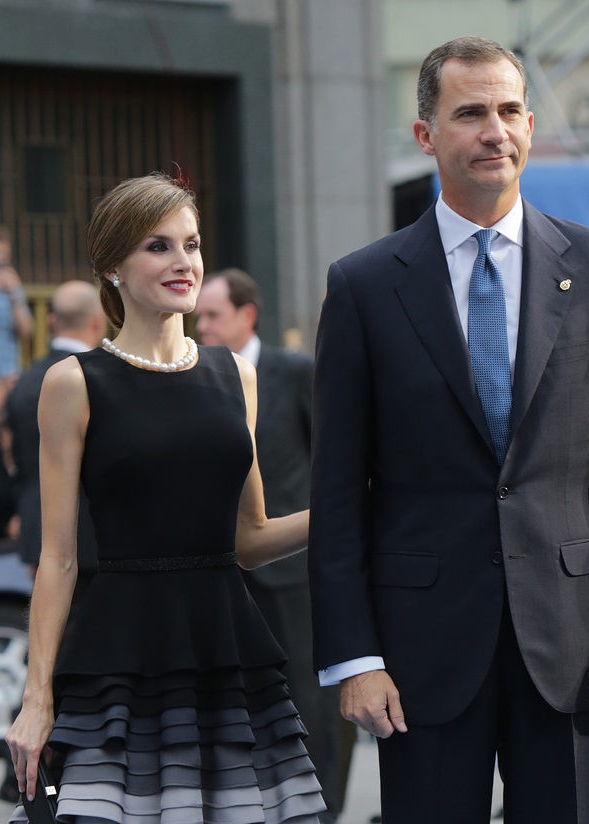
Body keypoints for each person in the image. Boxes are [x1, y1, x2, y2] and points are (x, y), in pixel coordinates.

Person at [309, 36, 589, 824]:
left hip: (571, 649)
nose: (493, 130)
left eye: (508, 111)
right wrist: (354, 657)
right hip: (418, 654)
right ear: (426, 135)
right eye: (470, 113)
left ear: (532, 126)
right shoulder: (364, 285)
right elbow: (336, 491)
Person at [5, 173, 326, 822]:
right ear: (113, 267)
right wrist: (36, 697)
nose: (184, 262)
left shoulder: (236, 374)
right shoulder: (74, 383)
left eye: (192, 243)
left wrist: (351, 509)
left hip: (226, 654)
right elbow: (59, 560)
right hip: (121, 657)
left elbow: (250, 540)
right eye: (158, 246)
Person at [195, 267, 354, 821]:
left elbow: (334, 461)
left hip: (291, 570)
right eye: (200, 317)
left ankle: (321, 811)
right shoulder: (201, 376)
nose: (203, 325)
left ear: (247, 315)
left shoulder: (294, 372)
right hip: (221, 572)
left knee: (311, 703)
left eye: (213, 315)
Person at [0, 280, 106, 805]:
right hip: (82, 541)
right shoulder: (90, 378)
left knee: (42, 651)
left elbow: (14, 464)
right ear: (96, 322)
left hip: (38, 537)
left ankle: (21, 767)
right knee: (72, 657)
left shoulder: (23, 384)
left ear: (52, 322)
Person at [0, 225, 33, 387]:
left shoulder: (12, 285)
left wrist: (15, 296)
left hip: (9, 374)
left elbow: (27, 331)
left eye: (1, 254)